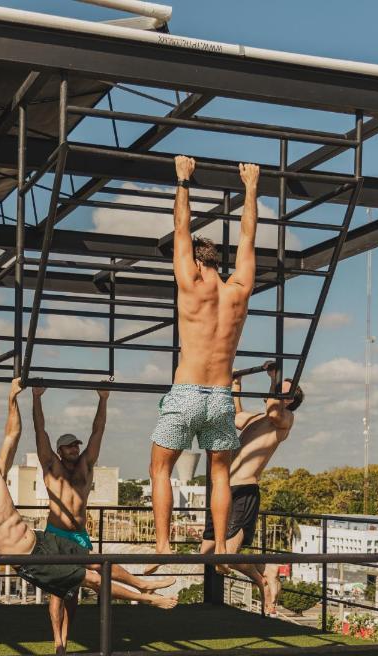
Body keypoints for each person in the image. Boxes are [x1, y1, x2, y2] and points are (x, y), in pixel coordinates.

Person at [0, 380, 177, 653]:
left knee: (97, 563)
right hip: (30, 561)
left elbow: (11, 436)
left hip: (43, 540)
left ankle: (142, 584)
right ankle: (148, 601)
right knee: (89, 581)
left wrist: (12, 398)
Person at [149, 155, 259, 575]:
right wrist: (250, 187)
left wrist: (183, 180)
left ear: (197, 261)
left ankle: (162, 547)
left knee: (160, 468)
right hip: (220, 396)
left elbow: (181, 227)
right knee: (219, 475)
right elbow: (248, 238)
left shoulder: (190, 283)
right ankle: (220, 549)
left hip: (187, 392)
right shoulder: (239, 289)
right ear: (218, 262)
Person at [32, 385, 176, 648]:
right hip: (57, 534)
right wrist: (36, 398)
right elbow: (40, 431)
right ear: (59, 450)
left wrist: (104, 399)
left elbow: (98, 430)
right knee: (56, 593)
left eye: (75, 445)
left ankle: (68, 633)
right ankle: (58, 641)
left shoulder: (86, 465)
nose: (74, 449)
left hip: (80, 535)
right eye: (68, 447)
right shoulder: (51, 466)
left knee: (75, 593)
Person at [201, 363, 304, 614]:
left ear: (288, 399)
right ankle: (265, 573)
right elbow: (236, 417)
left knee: (227, 555)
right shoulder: (257, 419)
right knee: (206, 554)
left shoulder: (284, 420)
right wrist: (236, 385)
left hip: (244, 490)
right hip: (223, 489)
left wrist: (274, 378)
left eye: (281, 390)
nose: (274, 391)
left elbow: (273, 411)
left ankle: (263, 580)